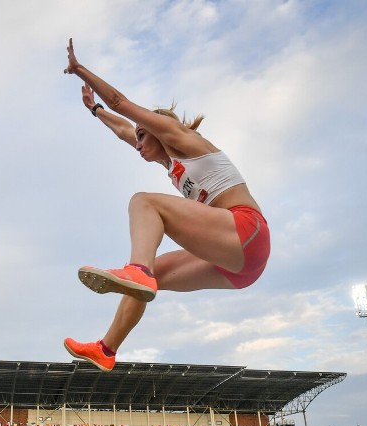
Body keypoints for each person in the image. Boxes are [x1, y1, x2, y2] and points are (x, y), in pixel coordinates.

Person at [62, 38, 271, 371]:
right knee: (151, 275)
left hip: (247, 231)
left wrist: (80, 70)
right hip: (238, 267)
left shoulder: (182, 139)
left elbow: (121, 103)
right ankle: (106, 349)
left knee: (144, 203)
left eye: (143, 136)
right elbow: (122, 128)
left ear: (159, 132)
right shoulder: (167, 163)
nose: (138, 143)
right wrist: (94, 110)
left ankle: (138, 269)